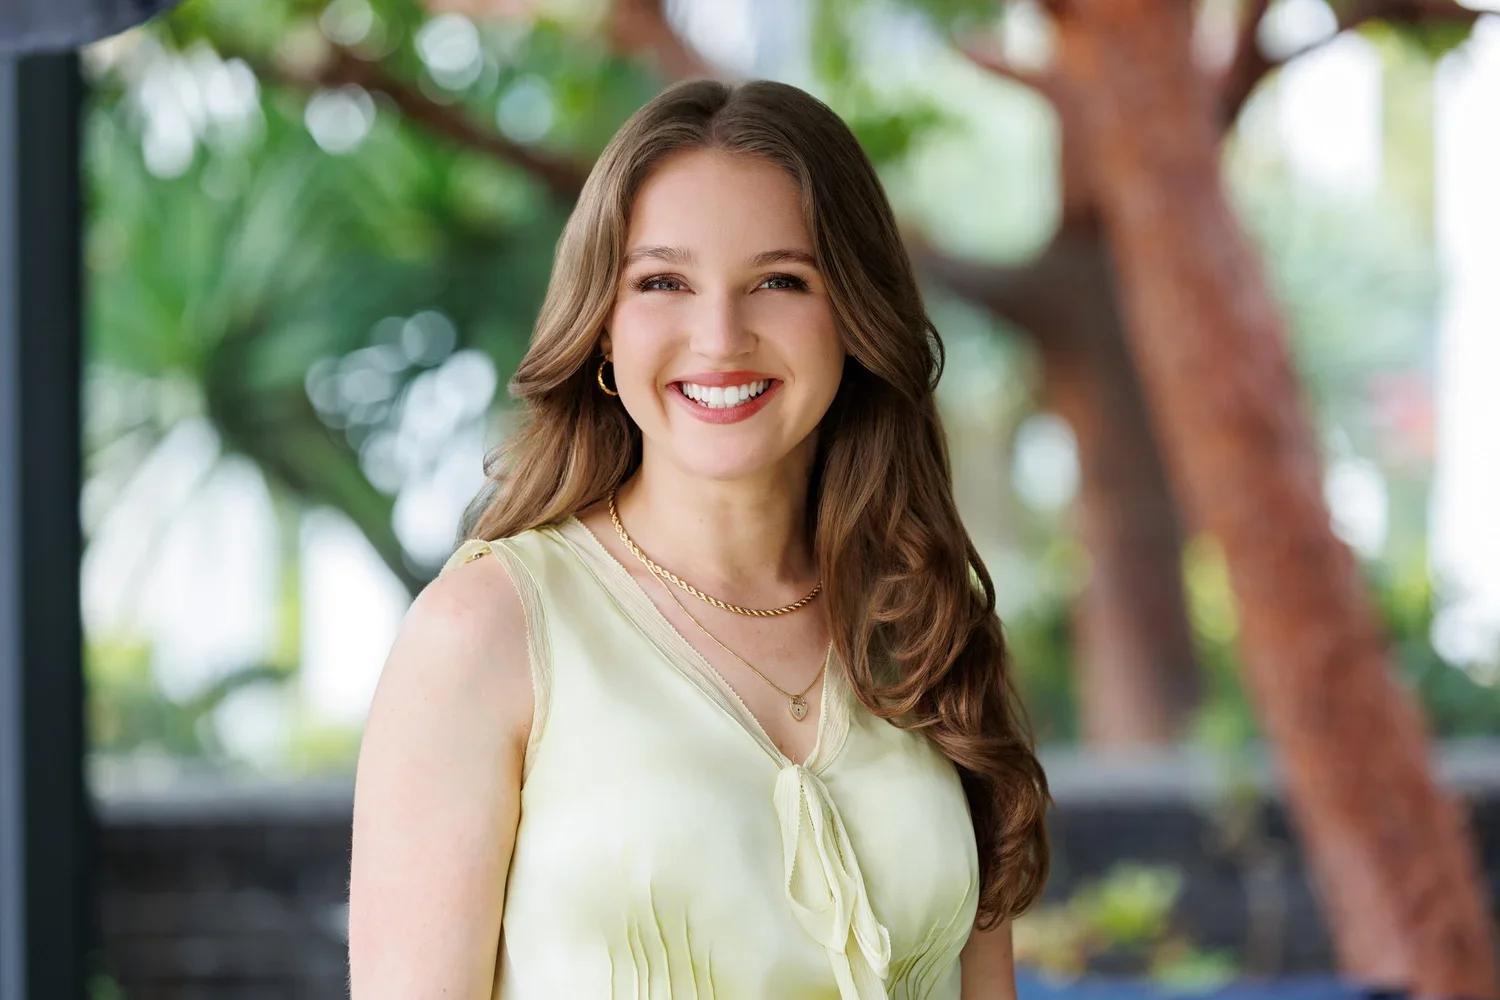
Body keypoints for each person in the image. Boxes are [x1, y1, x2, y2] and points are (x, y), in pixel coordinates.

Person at [347, 77, 1049, 1000]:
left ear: (853, 316)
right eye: (663, 282)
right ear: (603, 326)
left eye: (780, 280)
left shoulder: (924, 622)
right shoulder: (484, 634)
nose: (720, 337)